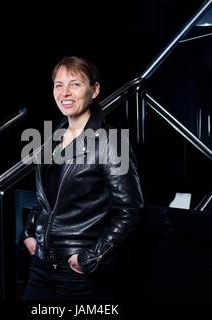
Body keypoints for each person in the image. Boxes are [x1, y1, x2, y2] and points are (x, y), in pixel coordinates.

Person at [21, 56, 144, 300]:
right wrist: (29, 232)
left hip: (78, 272)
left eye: (75, 84)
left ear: (94, 90)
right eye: (59, 84)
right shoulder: (51, 137)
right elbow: (45, 198)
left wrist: (93, 256)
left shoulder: (111, 141)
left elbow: (130, 209)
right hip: (41, 266)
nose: (65, 93)